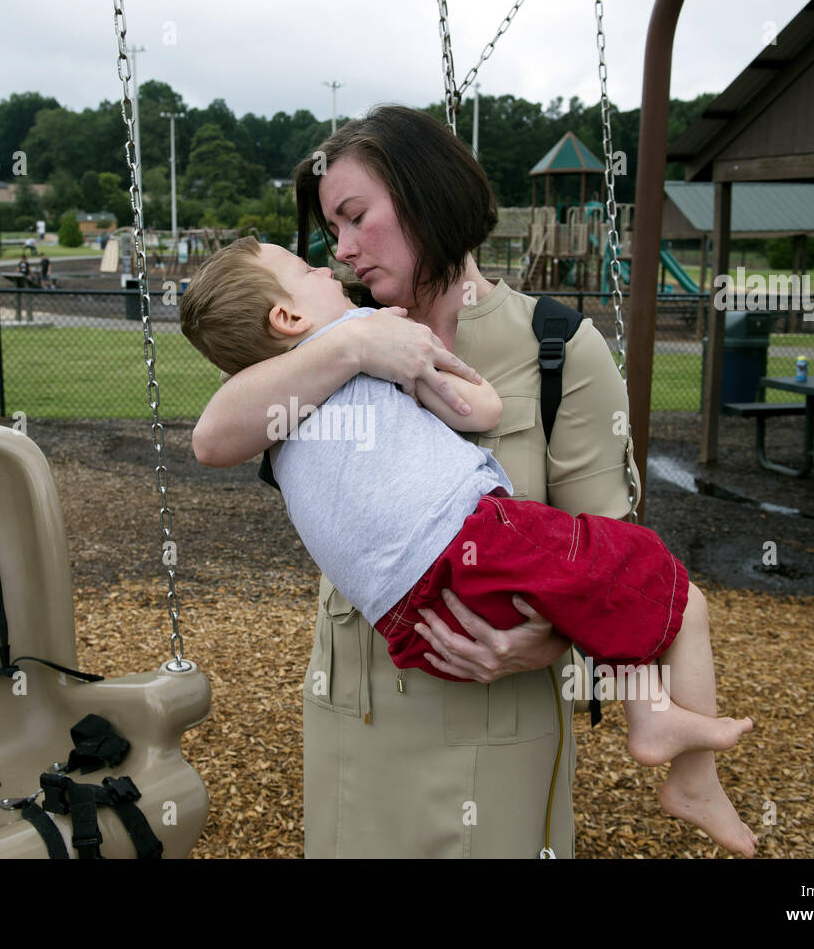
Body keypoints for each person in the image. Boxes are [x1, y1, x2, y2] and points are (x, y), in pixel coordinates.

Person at [180, 238, 757, 856]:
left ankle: (653, 720)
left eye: (351, 221)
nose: (330, 261)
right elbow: (477, 408)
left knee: (600, 587)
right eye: (305, 269)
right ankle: (678, 757)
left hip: (409, 615)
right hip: (471, 540)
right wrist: (420, 366)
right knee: (668, 588)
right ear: (287, 318)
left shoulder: (276, 395)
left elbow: (219, 438)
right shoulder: (367, 333)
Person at [192, 105, 639, 858]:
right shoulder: (328, 343)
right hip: (353, 722)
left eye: (356, 216)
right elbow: (216, 433)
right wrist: (356, 346)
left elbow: (614, 547)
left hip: (492, 723)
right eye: (331, 233)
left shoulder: (557, 348)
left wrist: (547, 641)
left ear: (424, 193)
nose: (342, 250)